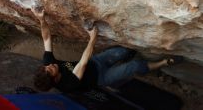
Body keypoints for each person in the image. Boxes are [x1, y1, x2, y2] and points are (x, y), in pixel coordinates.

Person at [32, 7, 175, 93]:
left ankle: (122, 70)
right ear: (55, 79)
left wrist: (41, 20)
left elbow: (46, 39)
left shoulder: (48, 65)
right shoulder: (68, 84)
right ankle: (161, 63)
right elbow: (82, 63)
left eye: (47, 66)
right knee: (134, 66)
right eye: (50, 70)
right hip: (100, 77)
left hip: (96, 62)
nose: (50, 65)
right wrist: (93, 37)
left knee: (123, 51)